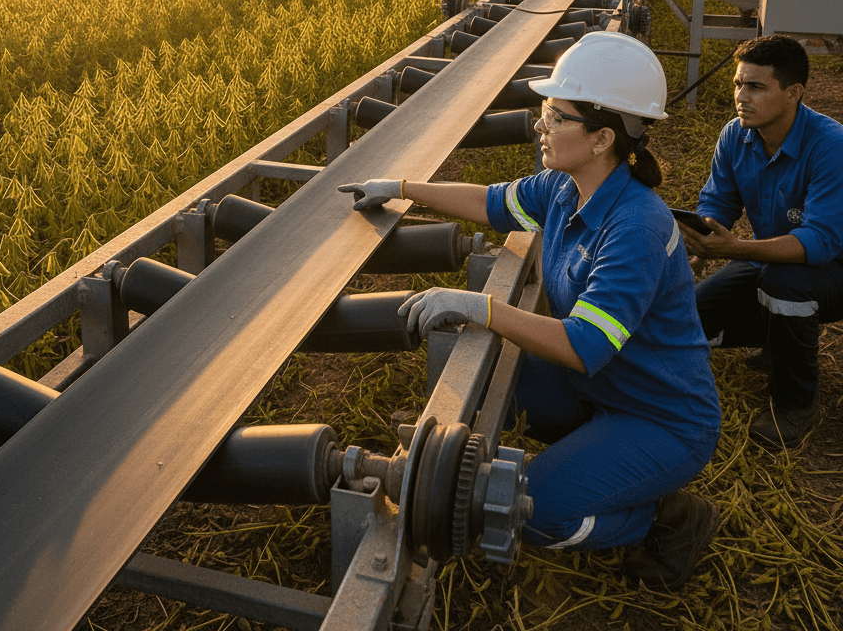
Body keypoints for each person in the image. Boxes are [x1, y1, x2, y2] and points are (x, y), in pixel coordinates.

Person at [339, 31, 721, 591]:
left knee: (532, 510)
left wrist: (483, 308)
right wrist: (400, 187)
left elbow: (582, 345)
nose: (541, 126)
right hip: (601, 390)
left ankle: (667, 519)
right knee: (498, 391)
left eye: (556, 116)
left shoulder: (635, 226)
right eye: (545, 112)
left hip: (661, 416)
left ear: (601, 138)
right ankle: (602, 463)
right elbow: (490, 202)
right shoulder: (567, 188)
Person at [680, 34, 843, 451]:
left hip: (832, 266)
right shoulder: (736, 136)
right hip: (773, 256)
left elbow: (820, 242)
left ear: (793, 94)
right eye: (739, 84)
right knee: (690, 318)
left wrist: (733, 249)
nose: (741, 96)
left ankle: (794, 404)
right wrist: (701, 243)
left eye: (756, 87)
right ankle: (778, 337)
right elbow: (718, 202)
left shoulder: (830, 146)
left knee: (785, 287)